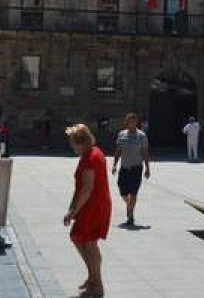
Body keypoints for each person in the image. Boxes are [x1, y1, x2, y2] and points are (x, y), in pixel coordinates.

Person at [65, 123, 111, 298]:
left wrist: (73, 211)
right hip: (92, 204)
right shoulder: (93, 153)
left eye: (72, 142)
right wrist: (72, 208)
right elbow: (82, 188)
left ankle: (97, 284)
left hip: (93, 205)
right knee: (81, 239)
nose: (71, 146)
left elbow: (87, 188)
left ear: (81, 142)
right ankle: (93, 278)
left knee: (88, 242)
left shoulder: (91, 157)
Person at [112, 112, 151, 226]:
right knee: (123, 192)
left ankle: (130, 215)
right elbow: (118, 150)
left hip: (136, 168)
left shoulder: (141, 136)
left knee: (133, 193)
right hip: (124, 167)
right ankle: (130, 206)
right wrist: (114, 164)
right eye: (130, 121)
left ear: (136, 122)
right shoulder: (122, 134)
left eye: (134, 121)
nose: (132, 123)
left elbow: (145, 152)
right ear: (126, 122)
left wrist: (147, 168)